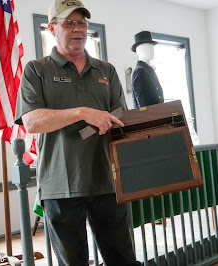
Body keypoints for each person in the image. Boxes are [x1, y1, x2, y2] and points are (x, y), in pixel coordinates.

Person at [15, 0, 140, 265]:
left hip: (107, 183)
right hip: (60, 188)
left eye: (82, 22)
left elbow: (121, 118)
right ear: (52, 28)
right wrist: (81, 112)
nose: (78, 29)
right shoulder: (37, 70)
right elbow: (32, 122)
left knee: (124, 261)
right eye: (68, 23)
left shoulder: (106, 71)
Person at [131, 31, 164, 108]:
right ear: (138, 50)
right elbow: (144, 108)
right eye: (147, 47)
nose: (151, 50)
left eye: (152, 47)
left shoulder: (148, 70)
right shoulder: (140, 72)